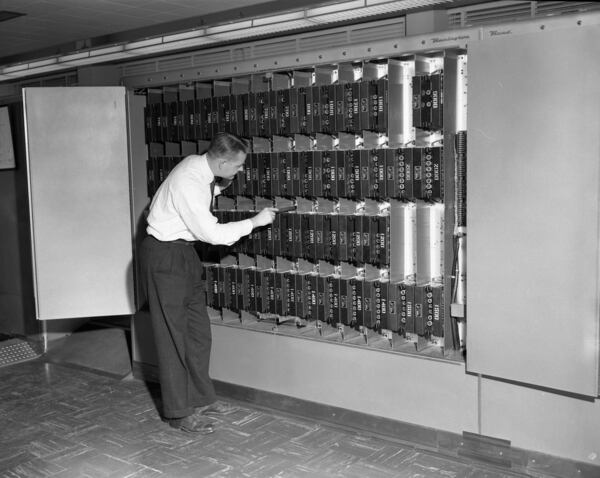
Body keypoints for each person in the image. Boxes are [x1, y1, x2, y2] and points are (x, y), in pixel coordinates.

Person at [140, 132, 277, 434]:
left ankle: (200, 398)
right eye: (238, 166)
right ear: (223, 160)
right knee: (172, 337)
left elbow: (200, 197)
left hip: (184, 254)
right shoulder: (189, 180)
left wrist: (220, 185)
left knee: (198, 333)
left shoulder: (199, 166)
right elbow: (212, 234)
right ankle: (178, 412)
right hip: (165, 256)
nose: (240, 171)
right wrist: (255, 222)